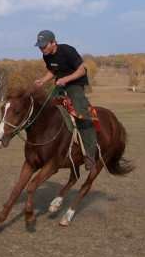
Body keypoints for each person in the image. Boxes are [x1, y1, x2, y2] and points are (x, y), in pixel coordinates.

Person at [33, 30, 97, 171]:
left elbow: (82, 70)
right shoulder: (47, 56)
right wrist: (42, 81)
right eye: (39, 46)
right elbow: (53, 71)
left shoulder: (68, 51)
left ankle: (91, 155)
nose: (41, 49)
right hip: (60, 85)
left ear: (53, 42)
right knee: (46, 109)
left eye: (44, 46)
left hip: (75, 85)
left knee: (83, 115)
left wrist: (65, 79)